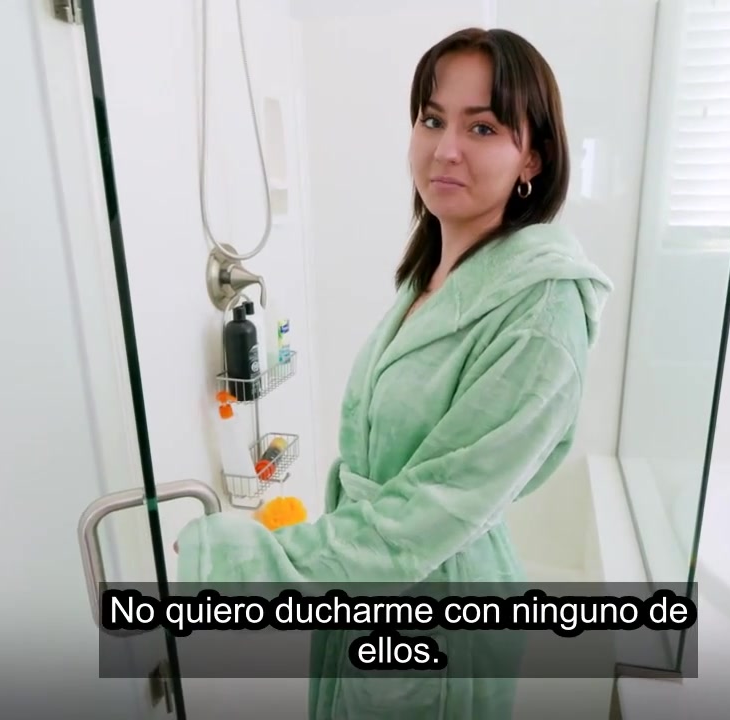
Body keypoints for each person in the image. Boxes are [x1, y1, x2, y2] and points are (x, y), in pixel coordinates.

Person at [174, 27, 612, 719]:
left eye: (483, 127)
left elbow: (435, 506)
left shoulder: (541, 308)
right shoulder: (434, 276)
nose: (446, 148)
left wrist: (252, 565)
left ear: (532, 155)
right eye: (433, 119)